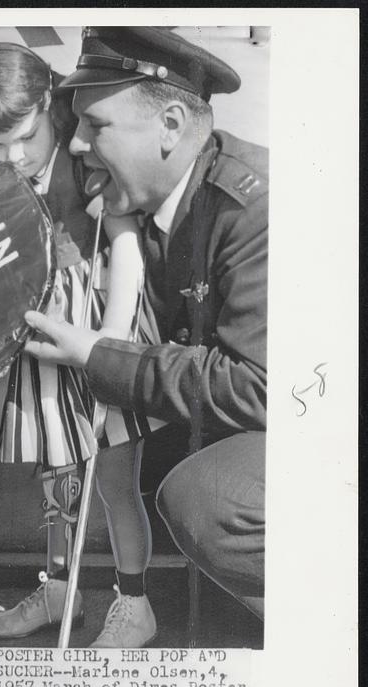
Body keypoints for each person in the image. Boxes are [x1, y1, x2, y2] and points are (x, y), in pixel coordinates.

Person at [24, 26, 267, 622]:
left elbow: (262, 388)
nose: (76, 145)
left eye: (97, 125)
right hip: (213, 422)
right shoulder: (144, 205)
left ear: (171, 125)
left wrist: (96, 354)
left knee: (206, 500)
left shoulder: (253, 210)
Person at [0, 42, 165, 647]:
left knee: (115, 479)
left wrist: (116, 339)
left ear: (51, 103)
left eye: (26, 136)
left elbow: (125, 246)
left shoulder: (85, 159)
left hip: (99, 321)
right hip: (38, 333)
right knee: (57, 478)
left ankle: (135, 603)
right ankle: (58, 589)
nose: (14, 157)